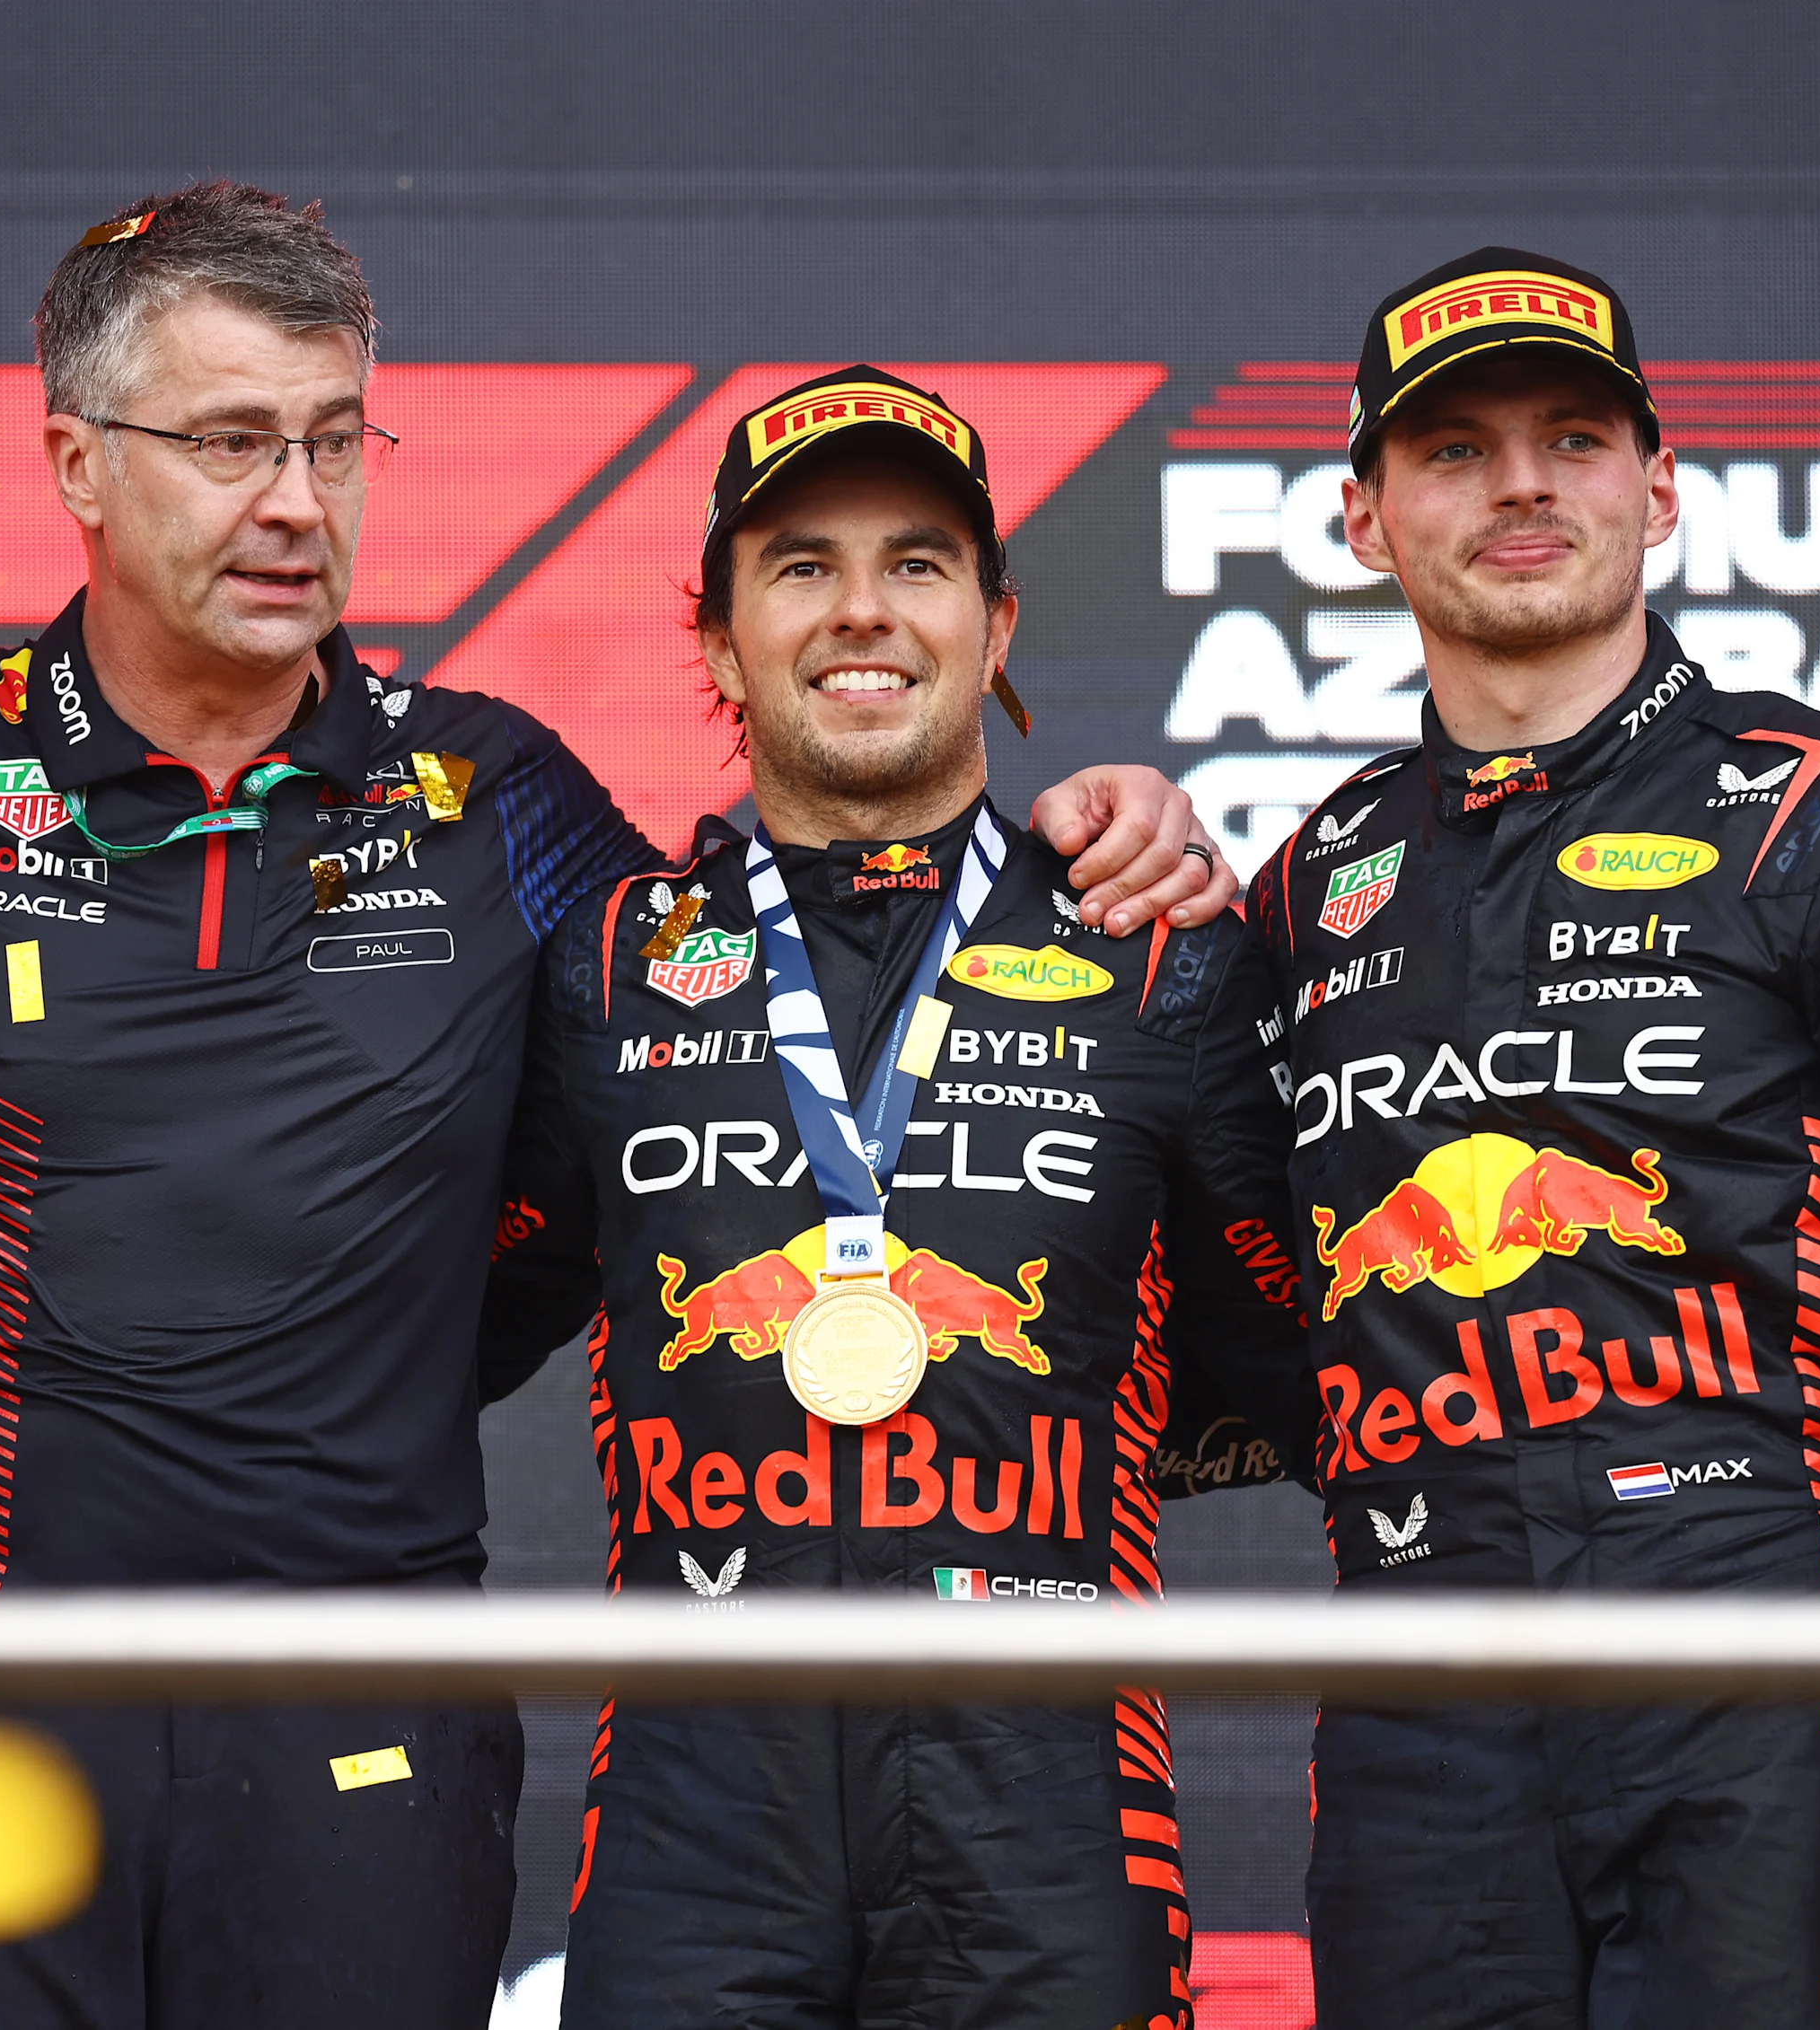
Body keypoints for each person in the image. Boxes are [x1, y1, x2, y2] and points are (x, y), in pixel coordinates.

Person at [0, 185, 1234, 2029]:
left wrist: (1079, 829)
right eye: (230, 440)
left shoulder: (492, 791)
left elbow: (762, 1002)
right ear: (75, 462)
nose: (294, 500)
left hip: (355, 1737)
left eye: (335, 440)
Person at [1244, 248, 1820, 2028]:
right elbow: (1229, 1311)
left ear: (1657, 490)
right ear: (1360, 516)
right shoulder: (1305, 888)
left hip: (1763, 1684)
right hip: (1419, 1723)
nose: (1519, 484)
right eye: (1455, 448)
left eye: (1573, 437)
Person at [477, 367, 1317, 2030]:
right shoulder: (606, 969)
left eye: (917, 562)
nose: (862, 609)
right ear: (717, 642)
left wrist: (1041, 1461)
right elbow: (450, 1327)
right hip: (694, 1797)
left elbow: (1302, 1375)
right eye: (800, 564)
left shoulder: (1161, 957)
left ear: (995, 629)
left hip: (1052, 1785)